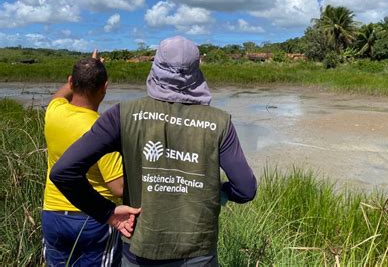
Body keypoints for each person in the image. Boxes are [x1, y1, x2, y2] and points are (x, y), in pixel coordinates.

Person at [51, 36, 257, 266]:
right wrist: (218, 192)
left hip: (139, 247)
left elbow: (63, 172)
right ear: (196, 70)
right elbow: (246, 189)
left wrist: (107, 212)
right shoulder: (220, 122)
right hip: (198, 252)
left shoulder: (122, 115)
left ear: (155, 67)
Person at [42, 51, 123, 267]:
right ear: (105, 87)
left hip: (53, 214)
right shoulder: (104, 130)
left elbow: (57, 97)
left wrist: (87, 67)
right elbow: (118, 187)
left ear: (70, 81)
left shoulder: (54, 112)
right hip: (94, 219)